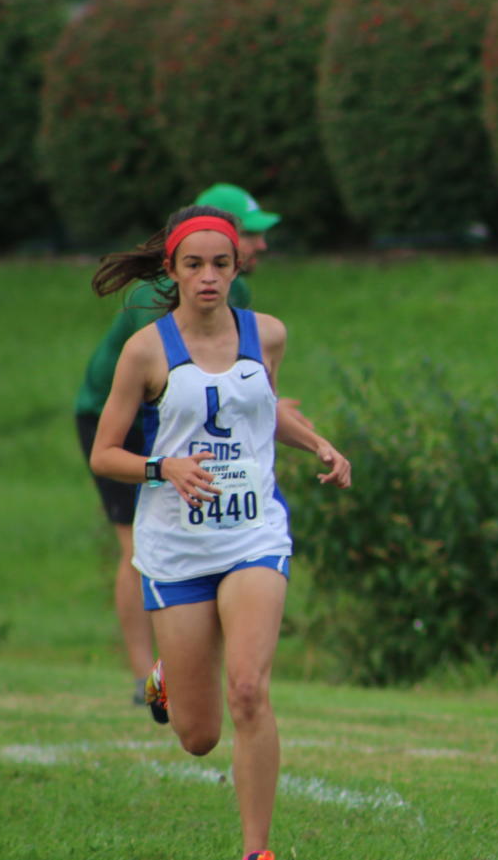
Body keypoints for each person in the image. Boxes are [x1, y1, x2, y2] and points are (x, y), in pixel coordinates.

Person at [89, 204, 350, 860]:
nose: (209, 277)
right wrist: (162, 466)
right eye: (195, 265)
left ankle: (256, 850)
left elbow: (259, 411)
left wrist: (318, 442)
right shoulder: (144, 349)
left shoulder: (267, 334)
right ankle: (165, 679)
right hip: (176, 548)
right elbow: (104, 453)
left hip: (252, 536)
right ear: (172, 271)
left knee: (248, 690)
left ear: (238, 268)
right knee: (197, 735)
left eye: (221, 264)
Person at [75, 183, 281, 705]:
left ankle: (182, 661)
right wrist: (163, 466)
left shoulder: (243, 301)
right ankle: (149, 675)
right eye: (254, 234)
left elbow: (225, 383)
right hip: (121, 419)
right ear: (176, 267)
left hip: (190, 433)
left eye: (242, 248)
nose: (260, 246)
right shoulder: (154, 311)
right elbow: (168, 382)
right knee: (135, 547)